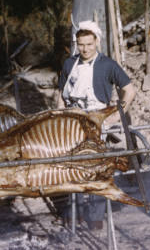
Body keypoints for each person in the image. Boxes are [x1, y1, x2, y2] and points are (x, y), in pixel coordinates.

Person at [57, 20, 135, 230]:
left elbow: (129, 90)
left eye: (89, 44)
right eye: (81, 44)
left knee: (97, 168)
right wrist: (59, 118)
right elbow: (60, 95)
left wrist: (116, 116)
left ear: (96, 42)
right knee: (73, 167)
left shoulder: (107, 64)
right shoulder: (68, 64)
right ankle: (75, 212)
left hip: (97, 119)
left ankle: (96, 216)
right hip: (73, 120)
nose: (85, 49)